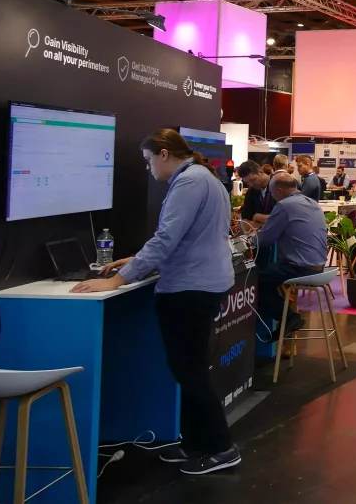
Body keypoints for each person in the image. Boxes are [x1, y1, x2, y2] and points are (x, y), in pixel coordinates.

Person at [71, 129, 239, 474]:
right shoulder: (202, 177)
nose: (148, 168)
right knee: (188, 370)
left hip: (191, 288)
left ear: (164, 154)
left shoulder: (189, 181)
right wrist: (134, 260)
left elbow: (167, 239)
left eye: (149, 160)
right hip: (201, 282)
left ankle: (222, 448)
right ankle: (195, 444)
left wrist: (118, 279)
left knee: (190, 372)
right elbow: (187, 237)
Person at [253, 174, 328, 336]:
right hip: (319, 266)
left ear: (280, 191)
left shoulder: (284, 206)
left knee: (254, 281)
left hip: (299, 268)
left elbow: (265, 239)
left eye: (272, 193)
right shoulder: (312, 203)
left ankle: (288, 317)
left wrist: (246, 240)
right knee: (269, 278)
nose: (272, 197)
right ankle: (285, 318)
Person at [237, 160, 276, 226]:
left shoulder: (278, 185)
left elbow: (282, 218)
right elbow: (245, 222)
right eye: (247, 182)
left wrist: (257, 217)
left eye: (253, 179)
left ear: (261, 172)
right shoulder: (251, 191)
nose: (251, 184)